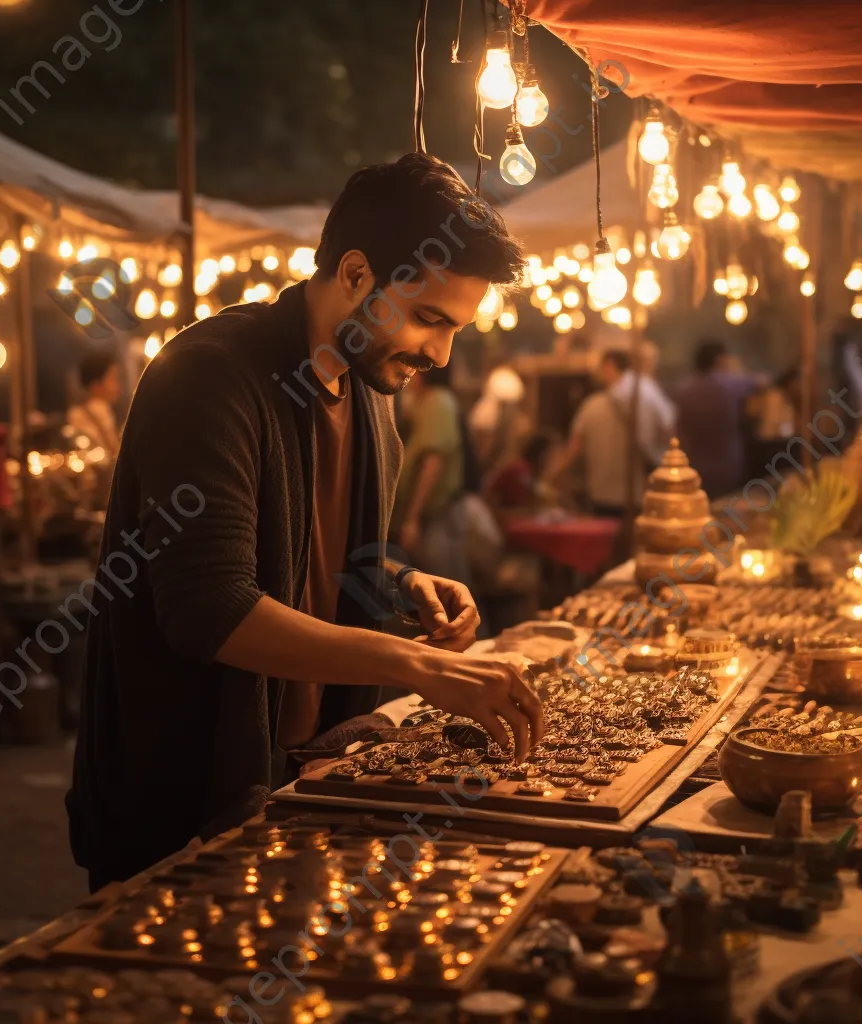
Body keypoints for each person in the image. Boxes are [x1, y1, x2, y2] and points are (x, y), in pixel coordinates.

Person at [67, 153, 543, 889]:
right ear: (356, 274)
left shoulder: (370, 394)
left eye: (456, 330)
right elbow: (209, 607)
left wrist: (400, 580)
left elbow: (306, 557)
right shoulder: (208, 374)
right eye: (427, 319)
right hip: (181, 802)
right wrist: (423, 667)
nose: (440, 355)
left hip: (307, 776)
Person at [549, 348, 675, 517]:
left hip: (603, 494)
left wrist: (553, 476)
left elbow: (574, 448)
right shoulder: (649, 393)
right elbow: (669, 431)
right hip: (642, 493)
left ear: (609, 366)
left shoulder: (591, 406)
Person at [392, 362, 471, 585]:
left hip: (438, 516)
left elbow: (433, 462)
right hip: (430, 516)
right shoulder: (428, 402)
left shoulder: (438, 401)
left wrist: (412, 518)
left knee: (446, 588)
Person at [676, 339, 756, 499]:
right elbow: (762, 382)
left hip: (695, 462)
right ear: (720, 359)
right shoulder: (729, 384)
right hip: (727, 464)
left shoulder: (686, 388)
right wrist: (735, 368)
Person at [68, 351, 122, 457]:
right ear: (95, 384)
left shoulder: (76, 412)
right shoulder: (100, 409)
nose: (117, 385)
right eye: (113, 378)